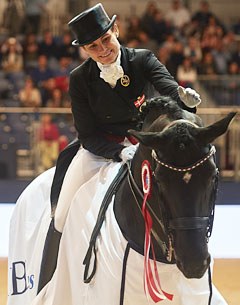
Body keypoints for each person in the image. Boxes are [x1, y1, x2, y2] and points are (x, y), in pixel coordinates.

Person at [51, 3, 202, 233]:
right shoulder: (80, 78)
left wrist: (186, 102)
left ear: (116, 31)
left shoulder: (142, 59)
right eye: (93, 46)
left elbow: (172, 91)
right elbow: (87, 135)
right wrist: (118, 151)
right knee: (60, 215)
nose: (102, 49)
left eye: (105, 39)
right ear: (85, 50)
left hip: (144, 142)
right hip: (100, 149)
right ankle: (48, 270)